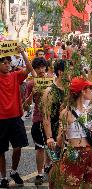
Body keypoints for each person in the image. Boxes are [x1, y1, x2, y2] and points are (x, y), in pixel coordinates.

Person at [57, 77, 92, 189]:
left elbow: (90, 132)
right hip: (74, 154)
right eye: (90, 88)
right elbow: (59, 141)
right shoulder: (67, 113)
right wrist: (63, 132)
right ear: (82, 91)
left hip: (90, 152)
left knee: (91, 186)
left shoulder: (87, 109)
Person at [0, 47, 32, 188]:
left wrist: (22, 52)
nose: (7, 65)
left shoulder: (15, 75)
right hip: (0, 119)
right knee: (1, 151)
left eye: (8, 62)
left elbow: (29, 69)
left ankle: (13, 171)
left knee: (18, 147)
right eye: (4, 63)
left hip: (15, 118)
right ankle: (3, 177)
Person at [23, 57, 48, 185]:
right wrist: (33, 93)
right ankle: (39, 173)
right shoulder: (31, 83)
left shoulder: (51, 81)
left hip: (52, 118)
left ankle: (49, 166)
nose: (41, 70)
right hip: (38, 119)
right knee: (40, 148)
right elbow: (25, 106)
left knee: (52, 145)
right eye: (38, 68)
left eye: (43, 67)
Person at [42, 60, 65, 188]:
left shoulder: (69, 88)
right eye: (69, 70)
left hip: (67, 132)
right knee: (55, 164)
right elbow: (46, 117)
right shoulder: (50, 91)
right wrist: (50, 137)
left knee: (66, 163)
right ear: (60, 72)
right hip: (55, 132)